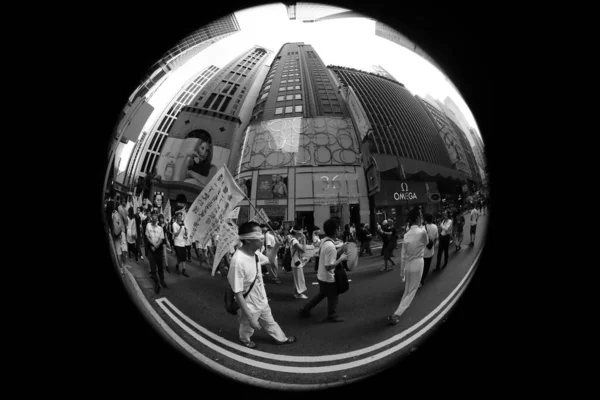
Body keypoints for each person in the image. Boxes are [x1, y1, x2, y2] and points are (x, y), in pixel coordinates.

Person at [227, 221, 296, 349]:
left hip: (262, 301)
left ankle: (281, 338)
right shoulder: (238, 262)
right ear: (248, 240)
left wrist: (276, 246)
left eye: (262, 233)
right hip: (249, 307)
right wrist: (251, 318)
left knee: (270, 322)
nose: (262, 237)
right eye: (259, 235)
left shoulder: (256, 254)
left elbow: (269, 260)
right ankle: (245, 339)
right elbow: (238, 293)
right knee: (247, 328)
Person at [298, 218, 349, 323]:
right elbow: (329, 266)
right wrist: (341, 259)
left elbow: (332, 252)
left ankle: (305, 309)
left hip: (321, 276)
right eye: (339, 229)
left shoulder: (325, 241)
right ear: (335, 231)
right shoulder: (330, 246)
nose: (340, 231)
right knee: (333, 297)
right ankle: (331, 316)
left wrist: (342, 248)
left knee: (322, 294)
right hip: (328, 277)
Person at [388, 207, 429, 325]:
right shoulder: (422, 232)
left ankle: (398, 311)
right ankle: (396, 314)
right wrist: (423, 228)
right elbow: (427, 243)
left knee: (407, 290)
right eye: (420, 215)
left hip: (409, 265)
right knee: (412, 291)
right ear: (417, 218)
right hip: (418, 263)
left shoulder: (406, 235)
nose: (421, 218)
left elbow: (403, 255)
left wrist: (402, 271)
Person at [145, 210, 168, 294]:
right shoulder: (148, 225)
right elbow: (147, 236)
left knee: (160, 268)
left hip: (158, 251)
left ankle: (162, 281)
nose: (154, 216)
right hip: (151, 250)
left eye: (155, 215)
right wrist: (153, 244)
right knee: (153, 269)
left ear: (157, 216)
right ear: (151, 216)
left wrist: (156, 246)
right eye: (153, 215)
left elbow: (161, 239)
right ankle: (157, 283)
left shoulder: (160, 228)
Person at [107, 200, 127, 271]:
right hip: (119, 233)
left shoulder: (108, 215)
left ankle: (121, 268)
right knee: (122, 250)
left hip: (114, 235)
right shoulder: (116, 213)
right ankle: (123, 265)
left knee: (118, 251)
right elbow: (120, 224)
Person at [289, 226, 308, 299]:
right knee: (299, 279)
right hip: (296, 262)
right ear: (297, 232)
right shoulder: (294, 241)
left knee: (297, 279)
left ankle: (297, 293)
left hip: (296, 262)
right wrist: (304, 240)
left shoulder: (294, 240)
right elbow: (303, 250)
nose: (302, 234)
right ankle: (298, 294)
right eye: (301, 232)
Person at [420, 213, 438, 288]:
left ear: (425, 219)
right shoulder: (435, 227)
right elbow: (436, 238)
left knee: (421, 267)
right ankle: (422, 280)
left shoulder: (422, 228)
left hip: (423, 252)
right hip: (431, 251)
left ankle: (419, 280)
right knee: (426, 268)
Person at [172, 210, 191, 277]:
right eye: (179, 216)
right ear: (176, 217)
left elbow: (186, 234)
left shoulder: (183, 224)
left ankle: (184, 270)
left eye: (181, 216)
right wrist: (180, 227)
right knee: (179, 257)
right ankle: (177, 265)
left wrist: (185, 229)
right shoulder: (174, 224)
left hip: (183, 243)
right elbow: (176, 234)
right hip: (177, 243)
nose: (180, 217)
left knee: (184, 257)